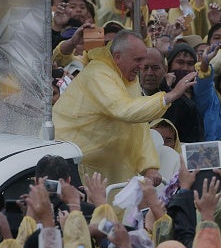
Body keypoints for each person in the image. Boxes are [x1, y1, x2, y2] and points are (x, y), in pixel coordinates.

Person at [52, 30, 196, 186]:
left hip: (108, 166)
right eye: (138, 60)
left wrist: (149, 166)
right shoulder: (98, 73)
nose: (141, 67)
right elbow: (124, 110)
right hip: (74, 161)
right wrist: (170, 96)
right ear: (117, 57)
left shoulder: (127, 76)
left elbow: (138, 124)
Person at [140, 47, 204, 143]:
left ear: (165, 69)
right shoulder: (127, 99)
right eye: (145, 68)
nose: (149, 73)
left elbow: (191, 149)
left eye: (155, 68)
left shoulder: (185, 107)